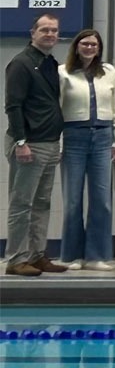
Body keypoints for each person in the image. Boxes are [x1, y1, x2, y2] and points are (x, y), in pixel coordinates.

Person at [57, 28, 115, 271]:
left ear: (99, 48)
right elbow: (58, 110)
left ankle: (97, 255)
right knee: (73, 200)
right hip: (74, 136)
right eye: (85, 44)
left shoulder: (108, 72)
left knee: (102, 200)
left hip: (103, 138)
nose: (89, 48)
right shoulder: (63, 72)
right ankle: (72, 255)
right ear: (76, 46)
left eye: (94, 45)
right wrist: (60, 143)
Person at [5, 15, 66, 277]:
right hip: (29, 143)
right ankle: (16, 258)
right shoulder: (21, 63)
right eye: (45, 30)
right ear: (33, 32)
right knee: (22, 204)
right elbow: (13, 105)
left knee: (42, 203)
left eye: (54, 30)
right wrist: (21, 142)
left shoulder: (50, 63)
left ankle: (37, 254)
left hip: (50, 143)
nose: (50, 34)